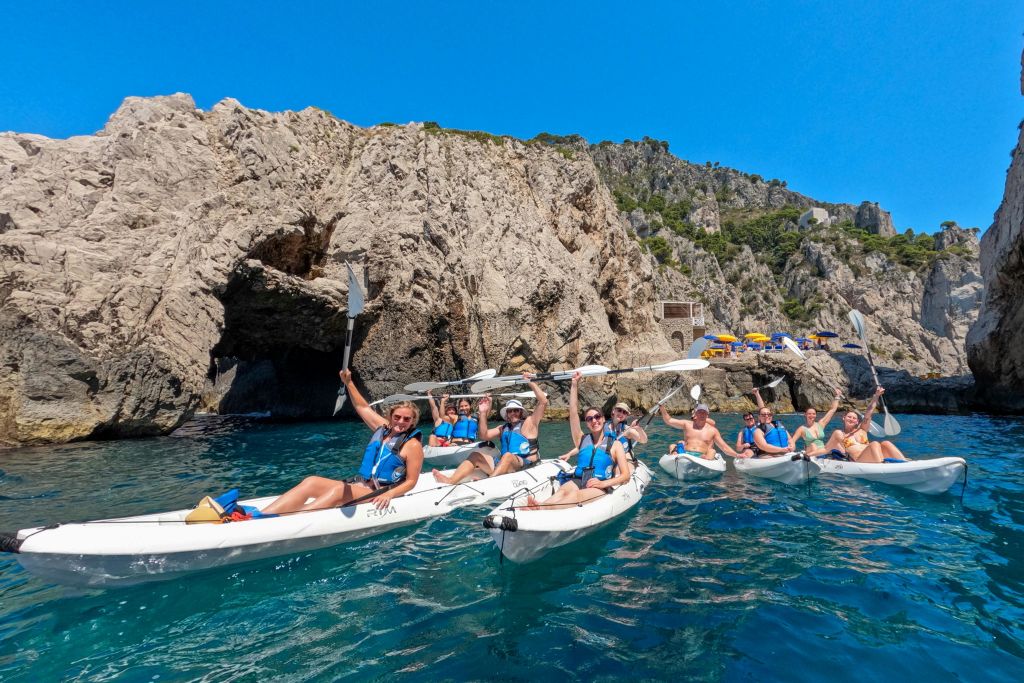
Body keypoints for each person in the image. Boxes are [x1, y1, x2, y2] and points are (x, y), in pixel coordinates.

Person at [262, 369, 424, 514]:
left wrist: (389, 494)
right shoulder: (382, 429)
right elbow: (362, 407)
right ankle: (261, 516)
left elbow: (411, 481)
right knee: (311, 481)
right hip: (361, 485)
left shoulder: (413, 445)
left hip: (380, 490)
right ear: (390, 417)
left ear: (412, 421)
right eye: (397, 417)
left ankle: (292, 519)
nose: (401, 421)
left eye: (406, 419)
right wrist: (349, 382)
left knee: (340, 490)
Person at [524, 371, 631, 510]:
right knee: (562, 491)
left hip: (599, 486)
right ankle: (540, 506)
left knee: (576, 496)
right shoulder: (581, 439)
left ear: (603, 419)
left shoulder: (615, 444)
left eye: (597, 417)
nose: (594, 421)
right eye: (589, 419)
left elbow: (625, 475)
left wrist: (603, 484)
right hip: (579, 479)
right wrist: (574, 384)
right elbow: (573, 413)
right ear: (586, 423)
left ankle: (542, 509)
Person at [432, 374, 547, 484]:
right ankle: (451, 480)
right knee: (475, 455)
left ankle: (489, 481)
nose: (513, 413)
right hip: (505, 463)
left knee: (507, 456)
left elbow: (543, 402)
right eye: (510, 411)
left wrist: (530, 382)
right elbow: (484, 435)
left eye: (516, 410)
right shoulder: (502, 428)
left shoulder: (529, 423)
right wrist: (482, 413)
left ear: (521, 412)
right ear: (507, 414)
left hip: (525, 463)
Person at [823, 387, 909, 463]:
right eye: (849, 417)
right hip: (859, 460)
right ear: (844, 418)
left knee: (886, 443)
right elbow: (827, 447)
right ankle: (881, 465)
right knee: (874, 444)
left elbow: (869, 411)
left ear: (857, 422)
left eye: (854, 418)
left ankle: (904, 462)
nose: (851, 419)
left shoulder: (862, 429)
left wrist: (876, 396)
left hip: (872, 458)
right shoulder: (839, 434)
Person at [660, 402, 741, 460]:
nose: (702, 414)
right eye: (700, 412)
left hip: (703, 456)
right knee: (673, 446)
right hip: (685, 454)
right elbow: (669, 420)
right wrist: (662, 408)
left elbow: (724, 447)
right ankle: (674, 457)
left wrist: (737, 455)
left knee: (712, 451)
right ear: (695, 414)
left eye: (704, 413)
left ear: (707, 415)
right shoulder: (687, 424)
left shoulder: (713, 430)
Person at [792, 388, 843, 456]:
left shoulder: (821, 424)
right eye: (809, 414)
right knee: (813, 445)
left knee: (838, 445)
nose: (811, 415)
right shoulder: (802, 429)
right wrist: (790, 449)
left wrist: (837, 396)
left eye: (813, 414)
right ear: (805, 415)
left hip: (822, 450)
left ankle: (848, 459)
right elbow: (792, 441)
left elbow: (832, 410)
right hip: (810, 451)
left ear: (816, 415)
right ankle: (810, 456)